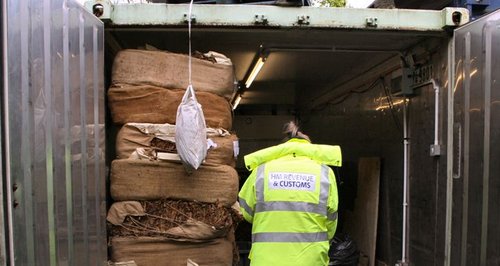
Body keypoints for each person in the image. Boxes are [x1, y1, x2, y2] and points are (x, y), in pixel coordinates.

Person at [239, 121, 342, 266]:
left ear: (283, 145)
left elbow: (245, 213)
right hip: (311, 260)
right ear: (310, 146)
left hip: (266, 261)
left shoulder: (262, 171)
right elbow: (331, 222)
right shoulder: (324, 173)